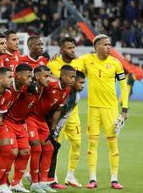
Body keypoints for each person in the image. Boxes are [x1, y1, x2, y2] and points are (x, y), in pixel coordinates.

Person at [76, 34, 128, 189]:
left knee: (113, 144)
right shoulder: (86, 60)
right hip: (93, 109)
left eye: (110, 44)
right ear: (97, 46)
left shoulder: (116, 63)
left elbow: (124, 86)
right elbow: (71, 66)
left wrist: (124, 108)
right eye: (105, 44)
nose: (109, 47)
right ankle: (92, 178)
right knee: (92, 145)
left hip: (111, 109)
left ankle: (114, 179)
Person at [27, 65, 75, 193]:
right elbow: (36, 85)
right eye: (70, 77)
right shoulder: (50, 84)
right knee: (36, 148)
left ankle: (43, 182)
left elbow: (58, 110)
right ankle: (34, 182)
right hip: (31, 117)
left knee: (49, 148)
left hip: (42, 120)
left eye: (74, 77)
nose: (73, 80)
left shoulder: (67, 90)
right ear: (62, 76)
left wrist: (53, 129)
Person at [0, 63, 33, 193]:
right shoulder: (7, 88)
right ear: (18, 75)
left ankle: (15, 183)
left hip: (16, 122)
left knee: (26, 151)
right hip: (4, 121)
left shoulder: (22, 88)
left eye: (31, 77)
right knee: (11, 151)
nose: (31, 79)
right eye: (28, 76)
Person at [46, 37, 82, 188]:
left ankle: (70, 176)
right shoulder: (52, 64)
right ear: (61, 50)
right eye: (69, 48)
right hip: (56, 113)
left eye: (74, 47)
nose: (72, 50)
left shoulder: (80, 63)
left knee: (77, 143)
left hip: (72, 112)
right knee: (54, 145)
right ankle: (51, 176)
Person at [48, 70, 86, 189]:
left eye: (83, 83)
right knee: (44, 149)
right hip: (46, 121)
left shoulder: (77, 97)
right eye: (80, 82)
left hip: (56, 124)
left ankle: (57, 178)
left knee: (54, 148)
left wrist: (56, 130)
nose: (82, 86)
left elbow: (65, 115)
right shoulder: (61, 91)